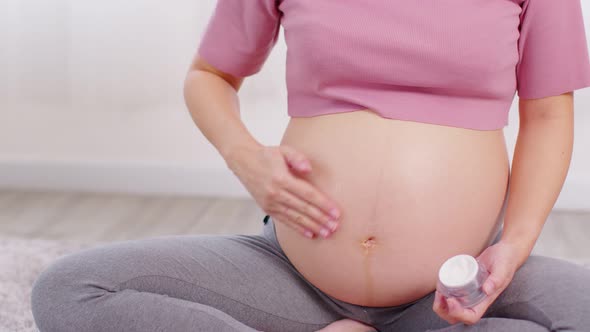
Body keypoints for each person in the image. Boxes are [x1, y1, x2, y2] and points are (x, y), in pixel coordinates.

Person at [31, 0, 590, 331]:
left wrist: (512, 247)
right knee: (74, 288)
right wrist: (246, 157)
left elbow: (547, 115)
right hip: (294, 275)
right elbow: (209, 76)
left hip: (459, 285)